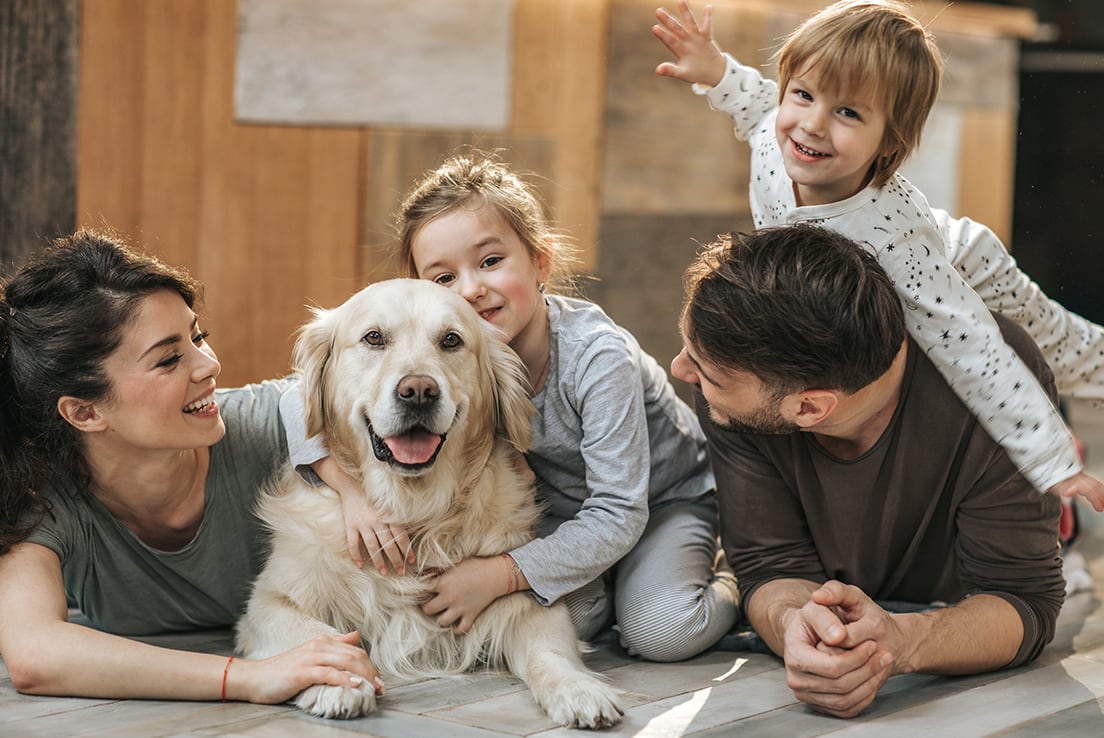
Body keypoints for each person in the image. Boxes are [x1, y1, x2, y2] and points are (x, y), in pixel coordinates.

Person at [281, 150, 740, 662]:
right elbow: (292, 394)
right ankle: (616, 581)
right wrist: (350, 493)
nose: (472, 290)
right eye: (443, 279)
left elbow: (618, 512)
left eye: (491, 261)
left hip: (655, 505)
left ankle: (731, 579)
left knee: (662, 631)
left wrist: (500, 574)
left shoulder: (599, 358)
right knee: (573, 618)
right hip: (558, 515)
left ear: (540, 261)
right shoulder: (450, 357)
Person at [653, 0, 1104, 511]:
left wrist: (1053, 463)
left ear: (889, 141)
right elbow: (758, 106)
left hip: (966, 270)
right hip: (910, 270)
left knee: (1069, 355)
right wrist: (714, 70)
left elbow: (977, 351)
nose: (812, 125)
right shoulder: (778, 145)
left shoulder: (891, 241)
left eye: (847, 112)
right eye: (802, 94)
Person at [671, 223, 1066, 718]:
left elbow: (1024, 601)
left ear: (810, 409)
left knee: (1051, 524)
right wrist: (797, 624)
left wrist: (901, 641)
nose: (679, 368)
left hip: (962, 573)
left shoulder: (1000, 375)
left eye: (704, 373)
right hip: (848, 565)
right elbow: (771, 568)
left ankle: (1055, 506)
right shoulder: (732, 386)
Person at [0, 230, 380, 703]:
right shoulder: (42, 497)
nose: (208, 366)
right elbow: (36, 654)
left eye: (198, 336)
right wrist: (248, 678)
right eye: (169, 359)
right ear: (85, 412)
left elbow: (338, 389)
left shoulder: (275, 430)